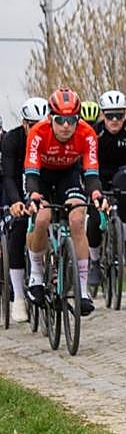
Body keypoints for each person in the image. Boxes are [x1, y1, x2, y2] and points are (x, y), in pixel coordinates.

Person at [23, 88, 103, 316]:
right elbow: (31, 172)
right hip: (42, 177)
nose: (66, 125)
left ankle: (83, 289)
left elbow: (91, 173)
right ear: (50, 118)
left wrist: (96, 194)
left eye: (71, 120)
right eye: (60, 120)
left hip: (69, 174)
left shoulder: (87, 134)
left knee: (78, 219)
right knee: (43, 218)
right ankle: (37, 276)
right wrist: (34, 195)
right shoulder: (38, 132)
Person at [84, 90, 126, 293]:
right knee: (94, 218)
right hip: (97, 173)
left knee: (125, 192)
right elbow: (84, 160)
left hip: (123, 170)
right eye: (110, 115)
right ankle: (95, 262)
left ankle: (125, 241)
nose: (114, 120)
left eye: (119, 115)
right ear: (102, 115)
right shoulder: (94, 133)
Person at [2, 97, 49, 323]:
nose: (37, 130)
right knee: (19, 228)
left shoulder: (52, 137)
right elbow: (9, 175)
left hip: (42, 186)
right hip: (19, 186)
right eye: (32, 125)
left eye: (42, 125)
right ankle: (19, 298)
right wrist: (15, 202)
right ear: (24, 124)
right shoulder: (12, 140)